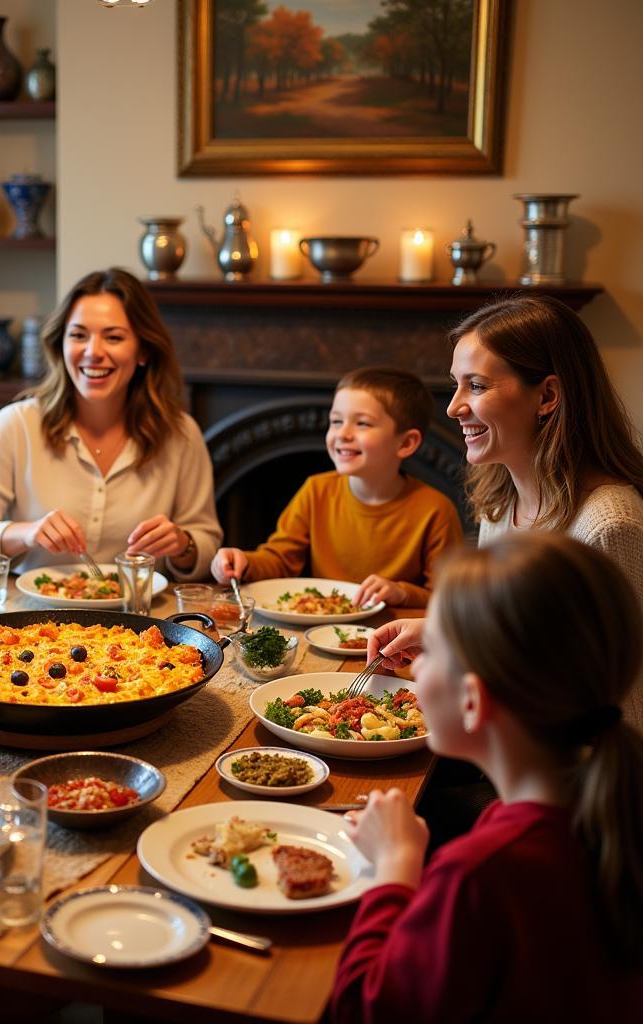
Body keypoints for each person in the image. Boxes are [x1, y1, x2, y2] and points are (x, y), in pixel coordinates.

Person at [330, 532, 643, 1021]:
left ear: (472, 702)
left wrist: (396, 866)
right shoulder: (612, 808)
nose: (415, 663)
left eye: (430, 650)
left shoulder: (477, 874)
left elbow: (364, 1008)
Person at [369, 296, 643, 727]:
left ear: (548, 395)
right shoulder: (501, 503)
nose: (453, 406)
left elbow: (608, 701)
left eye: (476, 386)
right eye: (456, 384)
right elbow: (526, 638)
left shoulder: (608, 524)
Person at [0, 267, 221, 578]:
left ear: (143, 350)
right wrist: (26, 533)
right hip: (33, 620)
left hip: (142, 618)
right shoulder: (15, 425)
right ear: (61, 345)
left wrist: (183, 544)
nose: (93, 352)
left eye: (113, 337)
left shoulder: (181, 435)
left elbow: (207, 542)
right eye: (78, 335)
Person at [211, 367, 462, 608]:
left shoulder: (435, 510)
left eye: (362, 423)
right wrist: (244, 562)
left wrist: (402, 592)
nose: (343, 434)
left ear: (406, 443)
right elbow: (280, 561)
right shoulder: (316, 490)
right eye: (336, 421)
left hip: (393, 636)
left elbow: (447, 598)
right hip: (322, 626)